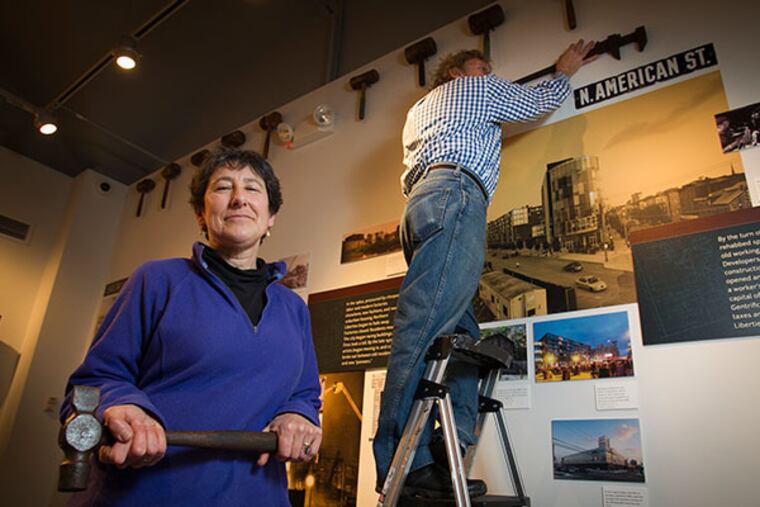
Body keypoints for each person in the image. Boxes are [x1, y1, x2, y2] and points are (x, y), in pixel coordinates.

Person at [373, 41, 596, 500]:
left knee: (458, 338)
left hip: (420, 207)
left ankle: (445, 456)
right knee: (422, 329)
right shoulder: (471, 89)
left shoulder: (420, 110)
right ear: (455, 73)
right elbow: (535, 102)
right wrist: (563, 68)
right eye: (481, 66)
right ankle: (400, 462)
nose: (488, 72)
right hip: (455, 194)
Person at [60, 148, 322, 506]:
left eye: (252, 188)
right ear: (201, 213)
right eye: (223, 187)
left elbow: (305, 394)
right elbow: (94, 381)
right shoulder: (157, 280)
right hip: (150, 493)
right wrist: (124, 407)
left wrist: (298, 415)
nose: (238, 199)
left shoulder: (293, 308)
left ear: (271, 215)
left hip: (255, 496)